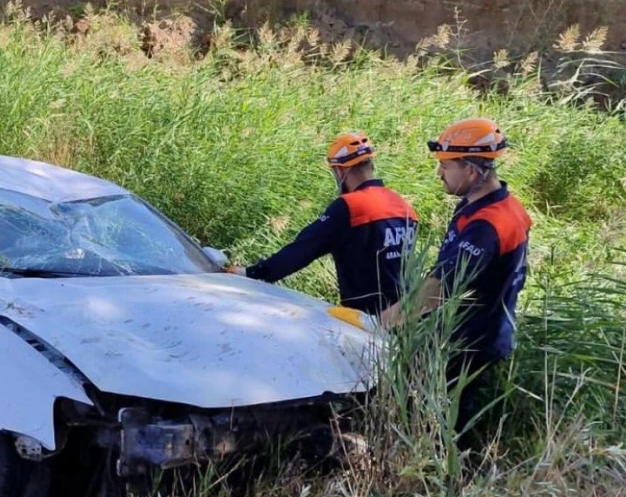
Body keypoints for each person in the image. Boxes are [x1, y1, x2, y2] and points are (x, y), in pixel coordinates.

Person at [380, 117, 531, 452]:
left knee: (445, 429)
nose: (440, 174)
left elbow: (441, 287)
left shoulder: (489, 224)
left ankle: (450, 485)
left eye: (446, 167)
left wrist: (383, 323)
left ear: (473, 171)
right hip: (476, 332)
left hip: (471, 341)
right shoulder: (494, 206)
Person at [227, 132, 419, 317]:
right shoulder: (404, 206)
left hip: (366, 321)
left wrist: (252, 272)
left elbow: (302, 250)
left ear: (341, 170)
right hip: (406, 316)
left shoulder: (350, 207)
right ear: (371, 164)